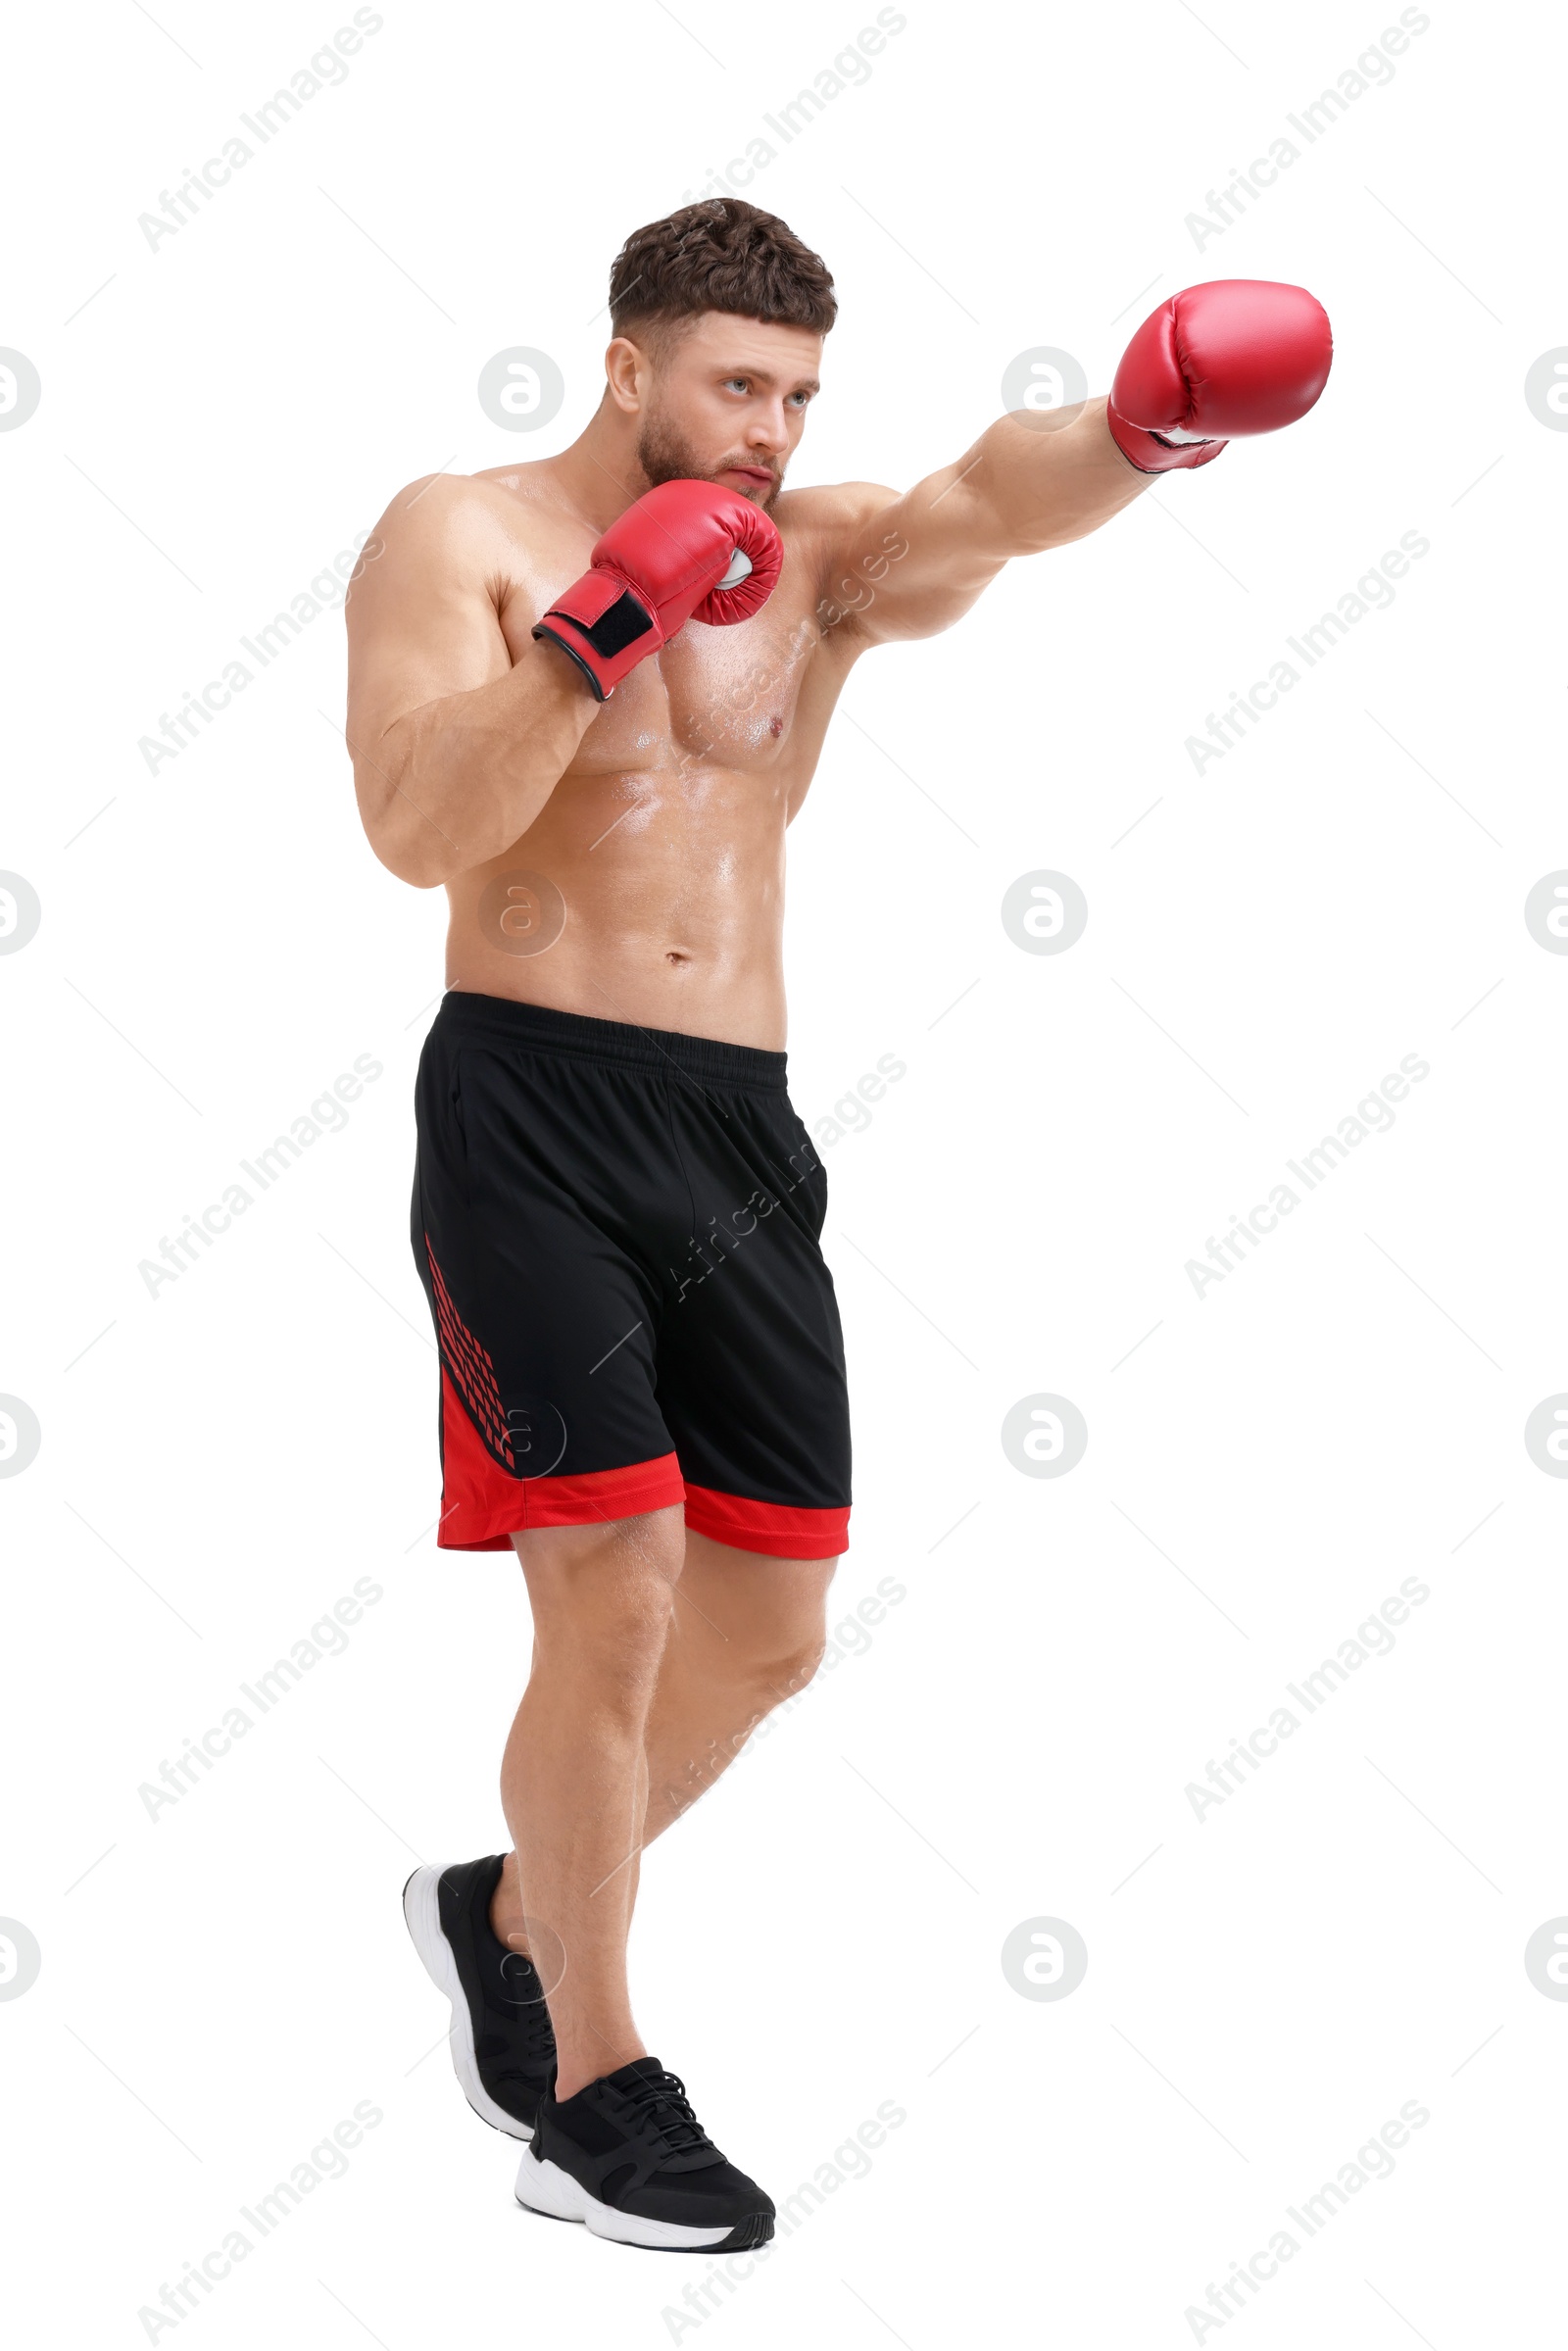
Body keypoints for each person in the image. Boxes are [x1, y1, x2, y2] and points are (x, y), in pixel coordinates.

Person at [344, 198, 1331, 2253]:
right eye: (733, 386)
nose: (767, 433)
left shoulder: (811, 564)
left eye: (796, 395)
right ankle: (592, 2089)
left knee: (768, 1631)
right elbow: (414, 825)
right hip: (530, 1100)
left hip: (738, 1131)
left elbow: (985, 497)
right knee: (609, 1589)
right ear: (624, 368)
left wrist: (1144, 427)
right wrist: (597, 625)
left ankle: (509, 1915)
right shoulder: (462, 533)